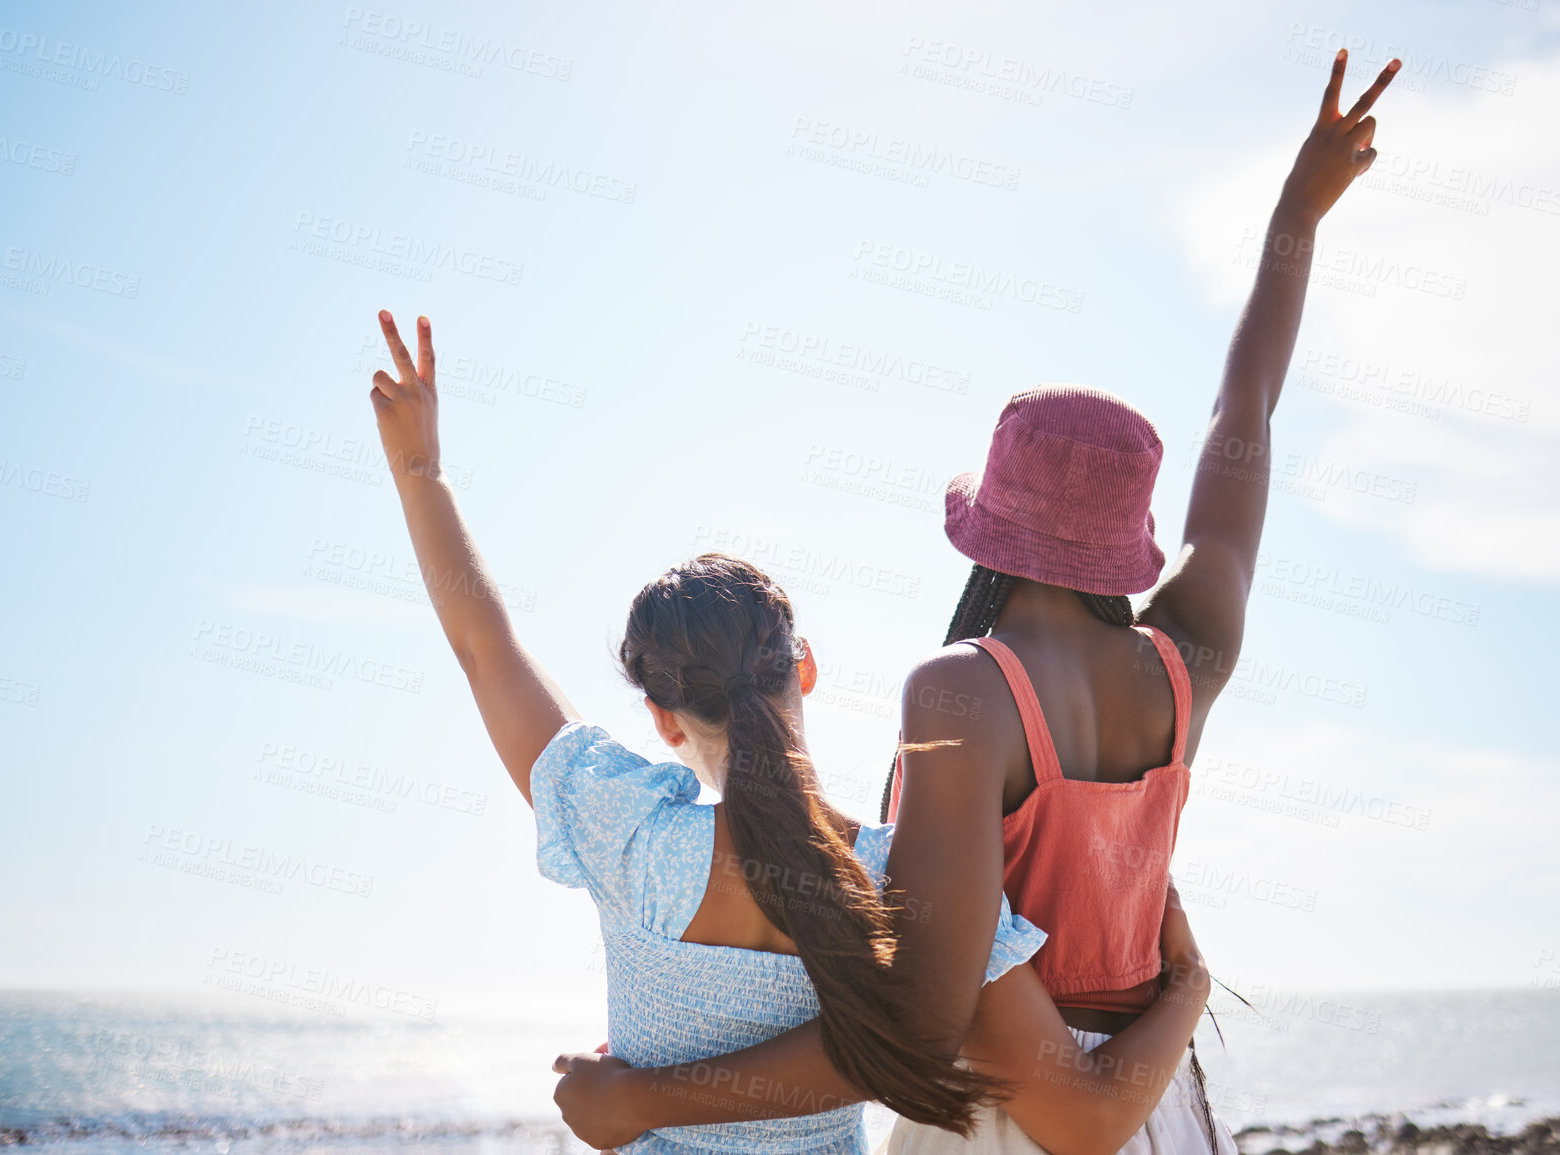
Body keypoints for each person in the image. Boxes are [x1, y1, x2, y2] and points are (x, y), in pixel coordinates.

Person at [551, 47, 1400, 1155]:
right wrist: (1300, 215)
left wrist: (648, 1100)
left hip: (1004, 1124)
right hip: (1165, 1112)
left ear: (989, 530)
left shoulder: (962, 690)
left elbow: (931, 1017)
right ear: (1125, 540)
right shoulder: (1187, 661)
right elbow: (1246, 418)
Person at [364, 313, 1215, 1154]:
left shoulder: (624, 834)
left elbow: (486, 650)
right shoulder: (904, 883)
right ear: (802, 666)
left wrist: (420, 470)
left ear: (662, 717)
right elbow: (951, 1051)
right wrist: (1181, 989)